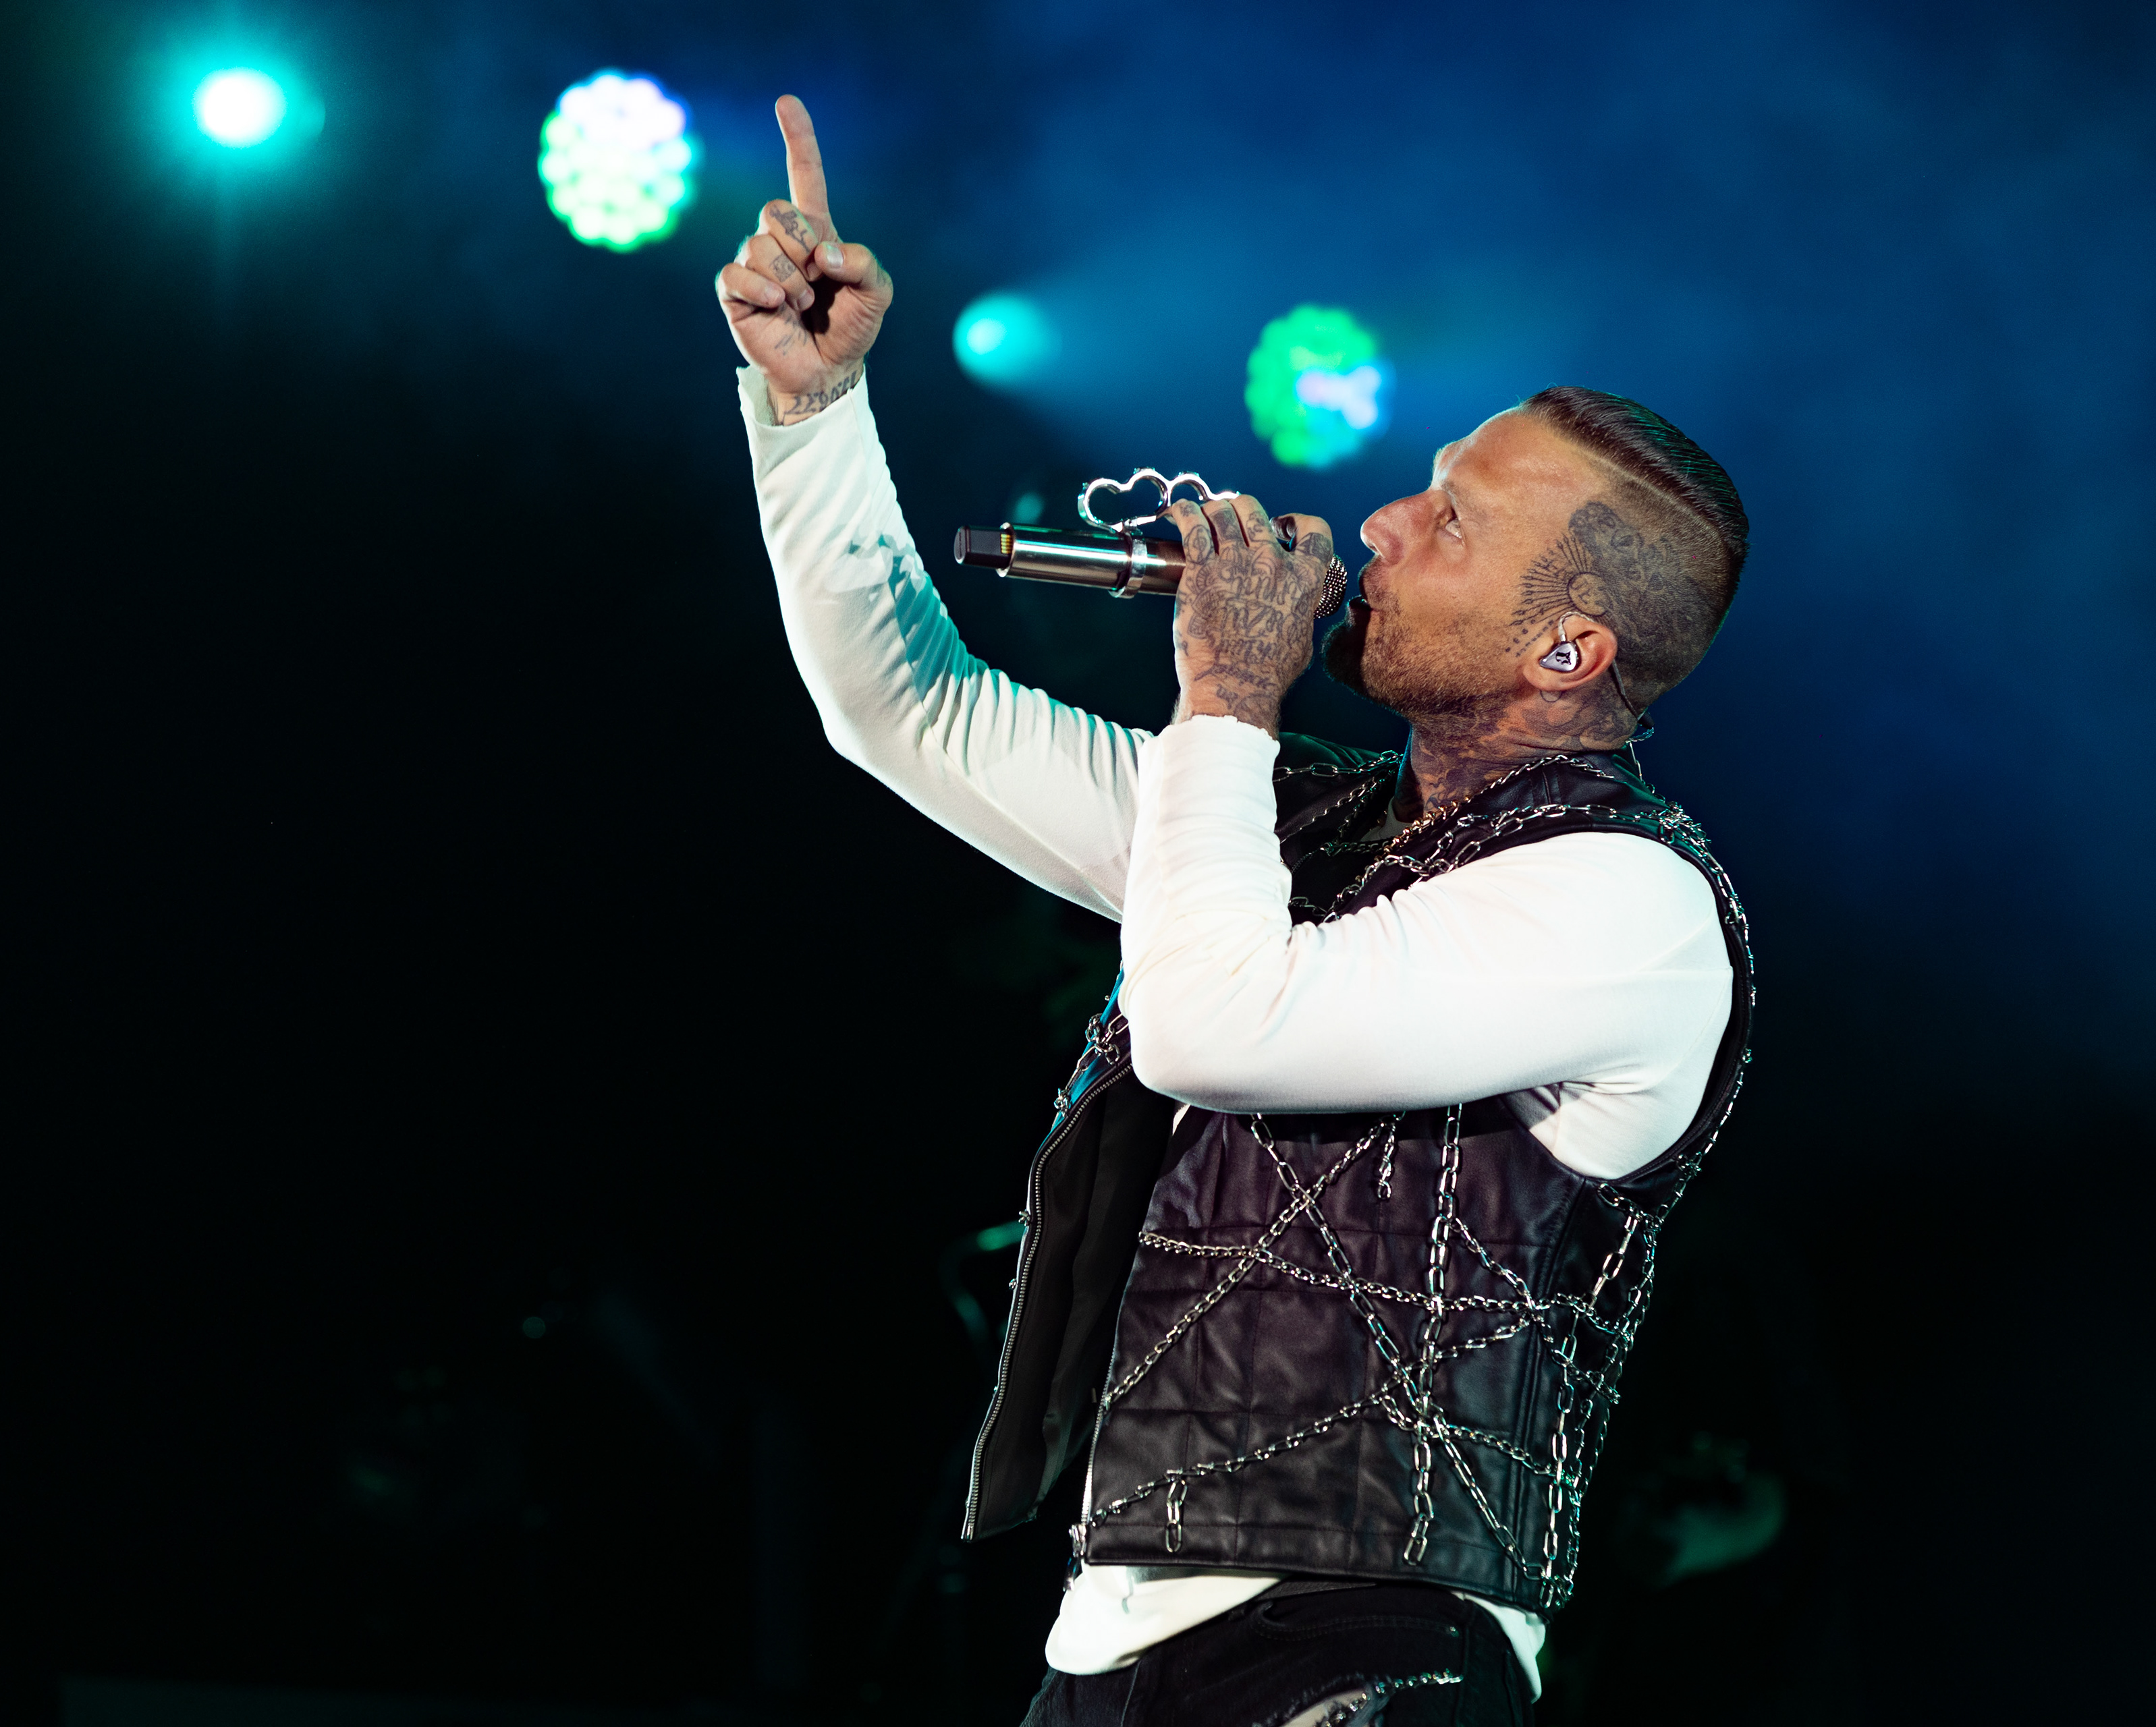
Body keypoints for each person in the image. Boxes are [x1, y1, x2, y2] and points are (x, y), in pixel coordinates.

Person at [721, 96, 1756, 1727]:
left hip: (1370, 1647)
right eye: (1422, 486)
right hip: (1116, 1639)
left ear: (1568, 649)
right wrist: (814, 407)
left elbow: (1216, 1021)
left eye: (1453, 520)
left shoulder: (1634, 902)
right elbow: (906, 708)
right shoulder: (1286, 812)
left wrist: (1225, 686)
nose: (1384, 523)